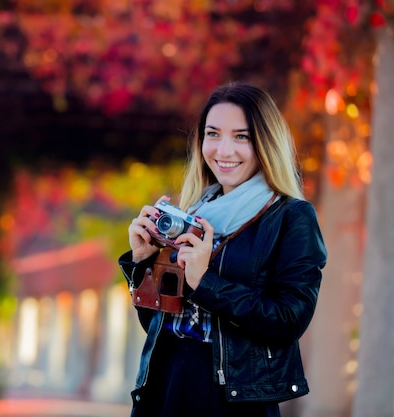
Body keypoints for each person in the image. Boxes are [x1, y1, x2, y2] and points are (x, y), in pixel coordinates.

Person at [118, 81, 327, 417]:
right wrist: (141, 262)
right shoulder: (194, 214)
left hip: (232, 403)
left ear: (264, 143)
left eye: (241, 137)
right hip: (164, 390)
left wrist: (204, 282)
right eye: (212, 134)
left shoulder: (291, 218)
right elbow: (160, 325)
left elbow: (288, 321)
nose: (222, 150)